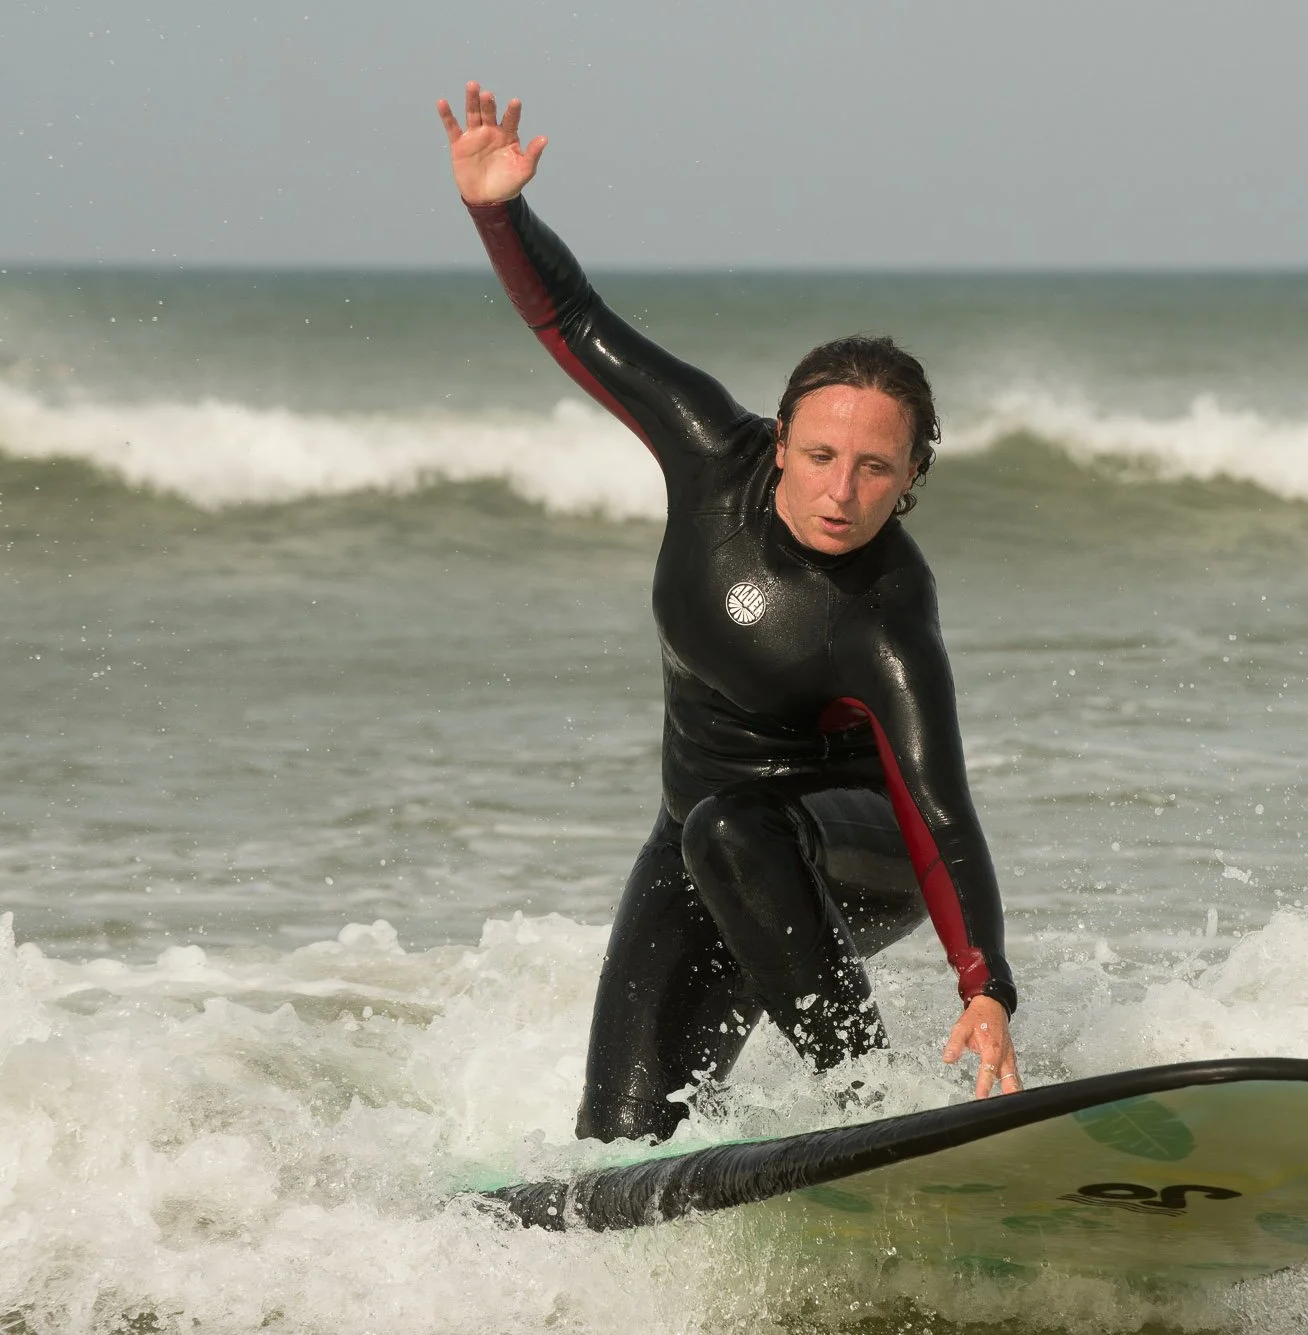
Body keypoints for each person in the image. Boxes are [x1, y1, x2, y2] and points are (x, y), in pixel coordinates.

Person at [436, 83, 1021, 1143]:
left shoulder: (886, 614)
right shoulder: (710, 453)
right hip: (696, 842)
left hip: (849, 852)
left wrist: (986, 987)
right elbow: (575, 321)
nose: (840, 491)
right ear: (779, 440)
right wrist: (497, 211)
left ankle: (866, 1106)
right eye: (820, 456)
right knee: (617, 1140)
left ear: (912, 478)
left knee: (737, 826)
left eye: (876, 468)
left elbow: (939, 818)